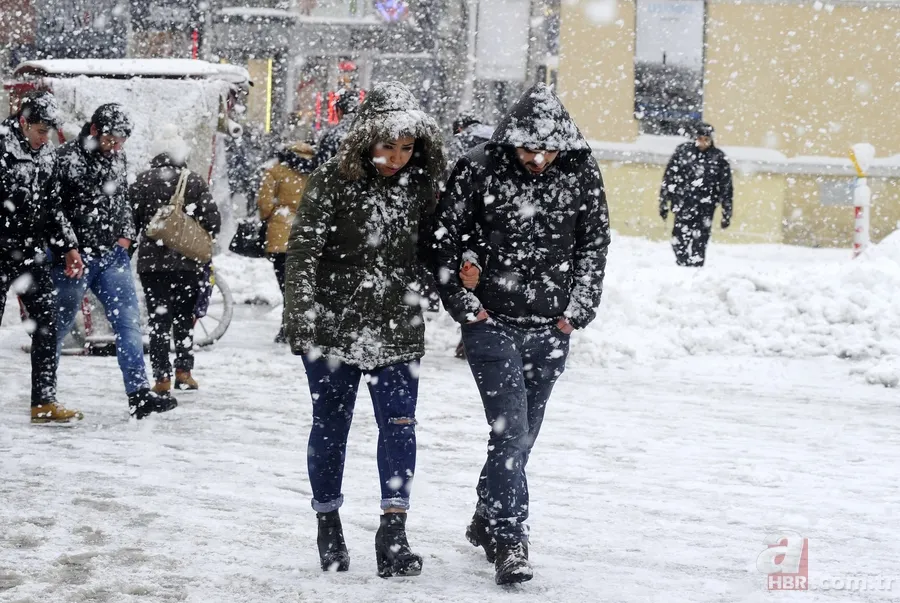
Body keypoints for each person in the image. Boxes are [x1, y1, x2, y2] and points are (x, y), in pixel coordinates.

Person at [433, 83, 610, 585]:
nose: (537, 158)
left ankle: (486, 518)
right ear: (512, 140)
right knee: (510, 432)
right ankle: (511, 539)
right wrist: (468, 308)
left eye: (547, 149)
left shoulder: (580, 171)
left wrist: (576, 311)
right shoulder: (479, 166)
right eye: (529, 148)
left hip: (551, 326)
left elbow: (593, 247)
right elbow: (442, 243)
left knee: (522, 439)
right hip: (492, 324)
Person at [285, 81, 443, 578]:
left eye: (407, 147)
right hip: (333, 326)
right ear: (365, 140)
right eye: (387, 145)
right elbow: (304, 249)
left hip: (398, 325)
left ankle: (393, 532)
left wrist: (443, 276)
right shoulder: (332, 180)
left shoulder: (420, 187)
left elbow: (433, 247)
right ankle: (327, 520)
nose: (397, 157)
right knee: (331, 428)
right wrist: (301, 315)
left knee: (399, 428)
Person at [52, 103, 177, 420]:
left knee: (128, 323)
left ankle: (138, 395)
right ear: (95, 130)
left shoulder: (117, 158)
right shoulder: (67, 159)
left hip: (111, 255)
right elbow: (54, 209)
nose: (116, 147)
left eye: (121, 141)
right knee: (58, 326)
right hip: (75, 256)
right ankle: (44, 395)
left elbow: (122, 200)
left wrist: (126, 236)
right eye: (112, 139)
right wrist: (69, 246)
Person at [0, 91, 84, 423]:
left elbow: (53, 208)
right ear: (23, 123)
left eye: (48, 132)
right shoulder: (2, 148)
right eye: (39, 131)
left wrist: (69, 247)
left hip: (31, 253)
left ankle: (43, 401)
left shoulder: (46, 155)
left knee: (47, 324)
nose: (44, 138)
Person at [130, 125, 222, 393]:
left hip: (152, 265)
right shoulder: (193, 181)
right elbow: (213, 221)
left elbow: (129, 223)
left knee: (158, 321)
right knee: (184, 318)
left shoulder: (141, 181)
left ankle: (161, 378)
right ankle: (184, 371)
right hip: (187, 263)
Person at [444, 111, 495, 359]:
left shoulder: (461, 144)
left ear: (459, 128)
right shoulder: (493, 136)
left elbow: (448, 179)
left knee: (467, 279)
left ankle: (469, 340)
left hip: (466, 220)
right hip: (494, 221)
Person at [257, 141, 316, 343]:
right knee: (303, 285)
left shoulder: (275, 171)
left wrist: (273, 215)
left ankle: (287, 328)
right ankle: (303, 327)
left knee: (285, 286)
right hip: (308, 234)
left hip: (281, 236)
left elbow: (264, 204)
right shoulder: (317, 171)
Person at [659, 122, 733, 267]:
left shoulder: (718, 158)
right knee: (679, 239)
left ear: (711, 140)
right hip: (683, 204)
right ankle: (682, 264)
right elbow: (669, 178)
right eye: (700, 138)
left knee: (700, 241)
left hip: (705, 207)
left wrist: (727, 212)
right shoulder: (682, 153)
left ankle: (695, 269)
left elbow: (726, 187)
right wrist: (663, 202)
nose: (702, 142)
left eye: (706, 139)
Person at [313, 88, 359, 168]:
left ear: (339, 110)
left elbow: (318, 165)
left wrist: (287, 156)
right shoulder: (366, 132)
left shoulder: (333, 135)